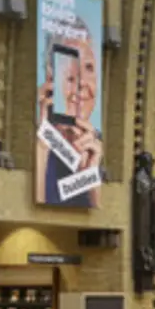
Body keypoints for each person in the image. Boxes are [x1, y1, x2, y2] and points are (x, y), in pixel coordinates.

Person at [35, 25, 101, 207]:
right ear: (51, 78)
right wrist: (43, 144)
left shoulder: (98, 144)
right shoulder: (39, 141)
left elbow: (102, 219)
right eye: (69, 73)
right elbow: (37, 208)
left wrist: (90, 173)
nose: (82, 84)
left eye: (89, 68)